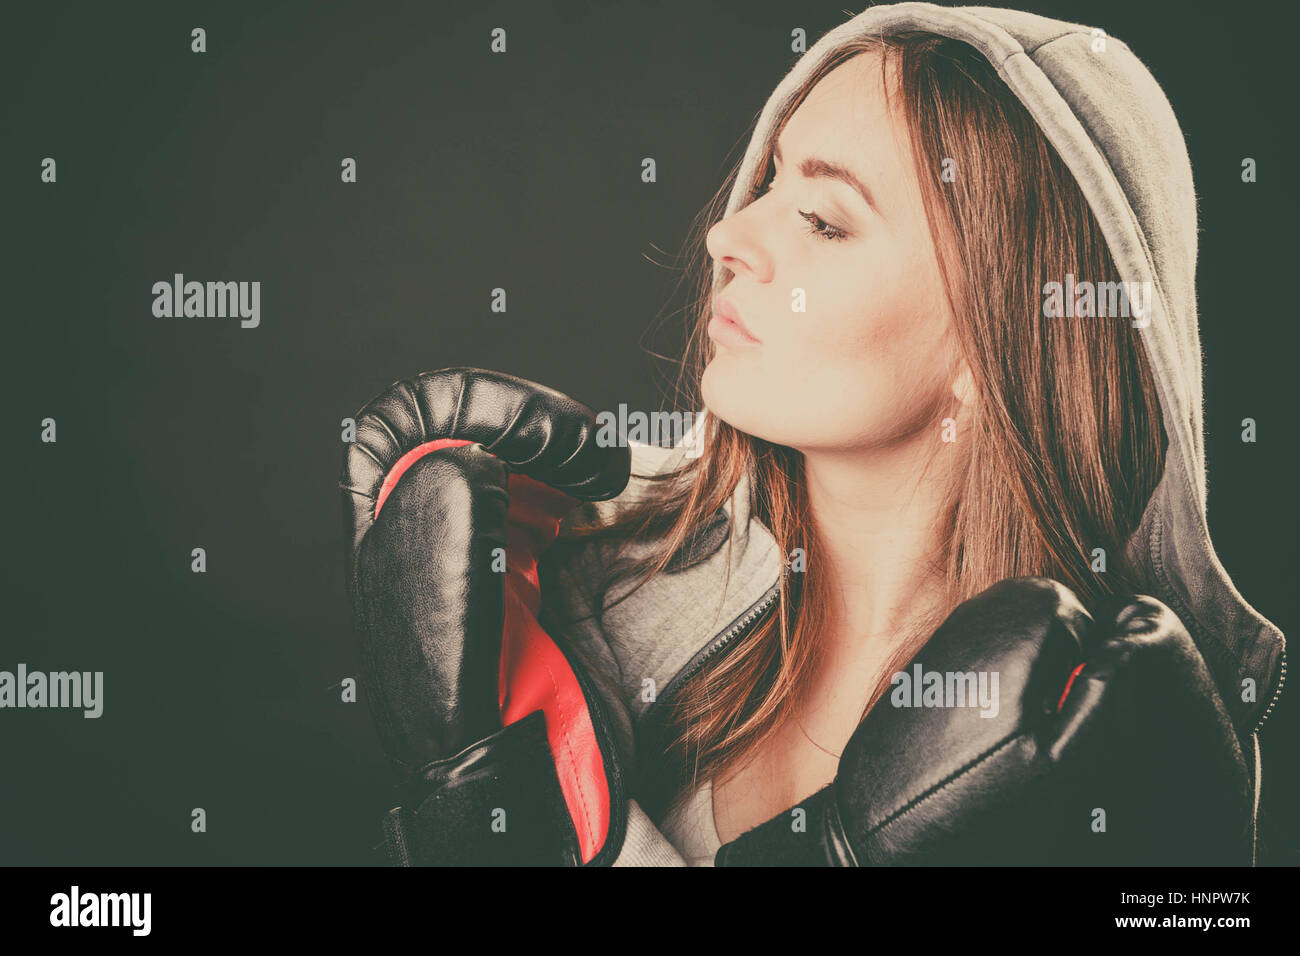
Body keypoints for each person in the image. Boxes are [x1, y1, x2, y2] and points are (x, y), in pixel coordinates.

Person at [340, 4, 1285, 866]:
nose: (727, 236)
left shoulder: (1109, 740)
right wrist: (462, 802)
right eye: (768, 179)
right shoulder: (590, 569)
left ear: (1001, 337)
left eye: (825, 221)